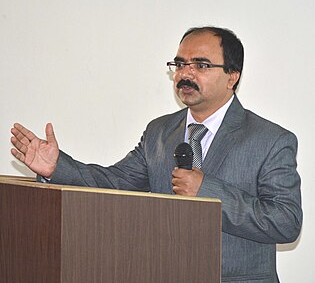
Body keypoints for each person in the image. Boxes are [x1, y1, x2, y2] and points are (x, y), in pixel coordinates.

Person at [11, 26, 302, 282]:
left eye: (200, 65)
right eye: (179, 64)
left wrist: (208, 192)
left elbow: (286, 222)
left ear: (232, 76)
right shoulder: (160, 132)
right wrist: (56, 167)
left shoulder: (271, 140)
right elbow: (115, 184)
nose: (185, 73)